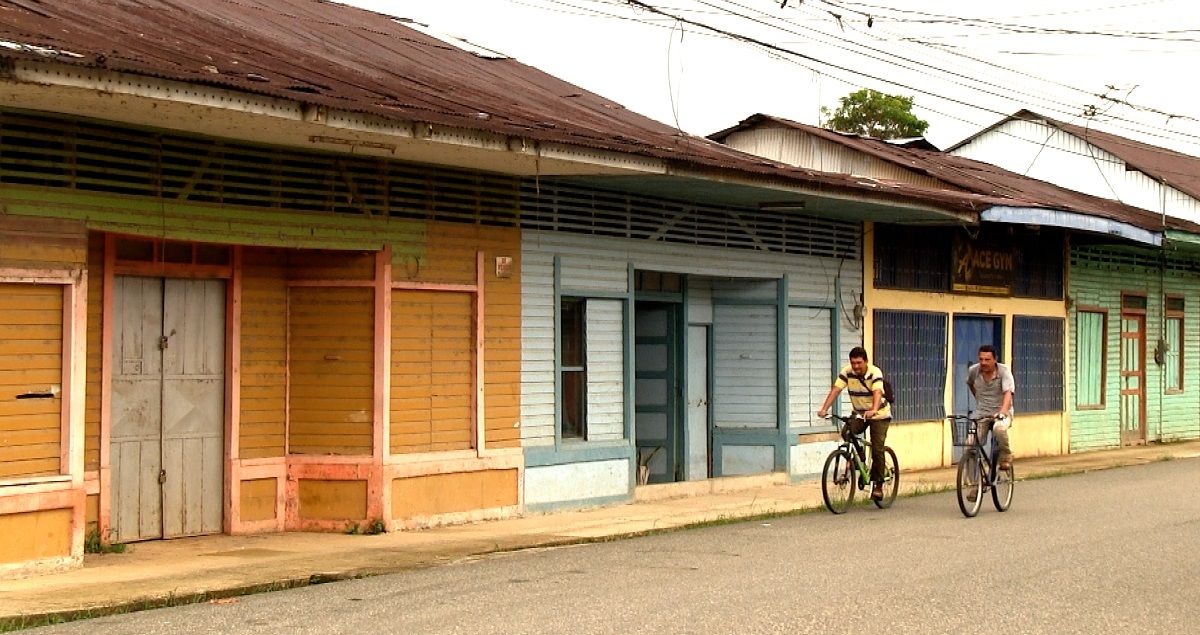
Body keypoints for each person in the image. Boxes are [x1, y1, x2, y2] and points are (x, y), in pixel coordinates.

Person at [817, 346, 892, 501]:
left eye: (859, 363)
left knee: (878, 448)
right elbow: (836, 390)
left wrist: (873, 409)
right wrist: (824, 408)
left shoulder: (874, 372)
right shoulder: (847, 372)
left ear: (866, 361)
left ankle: (878, 485)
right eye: (853, 363)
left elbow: (877, 392)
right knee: (847, 432)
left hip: (879, 414)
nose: (856, 366)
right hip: (860, 413)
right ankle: (860, 460)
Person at [966, 344, 1014, 470]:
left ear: (995, 359)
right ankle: (974, 484)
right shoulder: (974, 371)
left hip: (1001, 413)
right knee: (970, 446)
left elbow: (1008, 393)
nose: (983, 362)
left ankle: (1005, 455)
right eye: (981, 359)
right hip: (982, 413)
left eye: (987, 359)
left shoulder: (1004, 371)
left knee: (999, 429)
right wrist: (979, 399)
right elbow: (970, 384)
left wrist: (1002, 412)